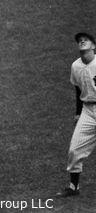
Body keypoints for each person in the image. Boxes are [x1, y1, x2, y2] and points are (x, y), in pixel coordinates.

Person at [57, 32, 96, 197]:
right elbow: (78, 89)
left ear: (94, 46)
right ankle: (74, 187)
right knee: (74, 150)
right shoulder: (76, 66)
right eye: (79, 41)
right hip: (88, 111)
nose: (81, 41)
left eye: (85, 40)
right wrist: (78, 113)